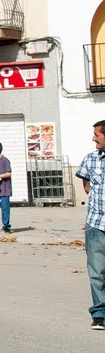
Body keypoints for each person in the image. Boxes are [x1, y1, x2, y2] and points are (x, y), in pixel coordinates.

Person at [76, 121, 105, 331]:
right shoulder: (90, 159)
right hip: (96, 223)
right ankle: (100, 313)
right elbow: (86, 185)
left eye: (96, 134)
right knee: (97, 271)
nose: (93, 138)